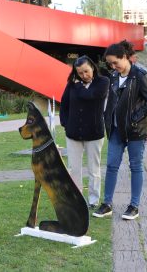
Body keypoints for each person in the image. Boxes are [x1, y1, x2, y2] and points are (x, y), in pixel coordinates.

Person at [93, 40, 147, 220]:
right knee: (112, 165)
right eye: (110, 63)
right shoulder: (113, 77)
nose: (113, 66)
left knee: (135, 166)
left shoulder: (140, 75)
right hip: (115, 129)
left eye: (115, 62)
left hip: (136, 130)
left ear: (125, 57)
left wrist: (134, 118)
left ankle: (134, 206)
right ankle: (107, 204)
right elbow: (113, 102)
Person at [59, 55, 110, 209]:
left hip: (94, 134)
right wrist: (66, 124)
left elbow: (90, 96)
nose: (84, 75)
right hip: (73, 133)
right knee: (74, 169)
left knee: (94, 169)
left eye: (86, 71)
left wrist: (78, 84)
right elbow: (64, 105)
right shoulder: (71, 84)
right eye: (80, 73)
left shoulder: (103, 82)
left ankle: (93, 200)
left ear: (93, 67)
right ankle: (77, 199)